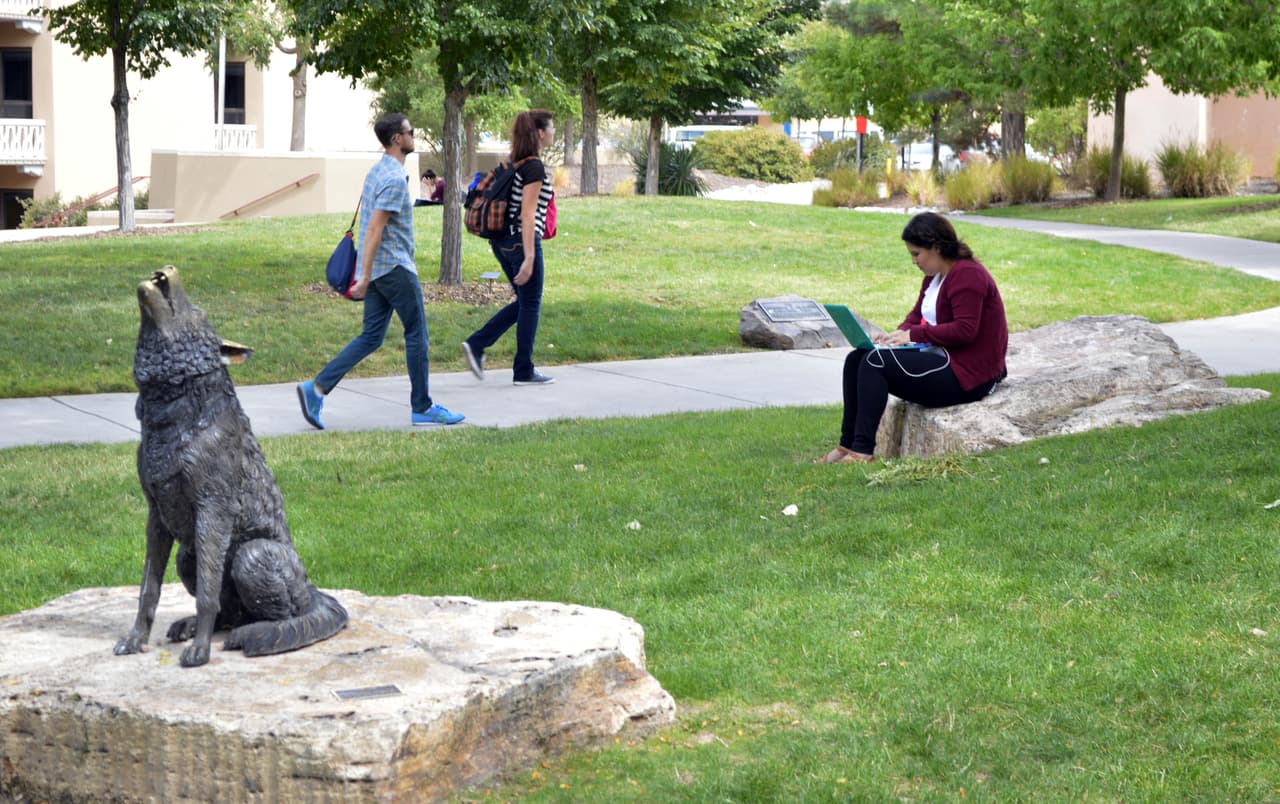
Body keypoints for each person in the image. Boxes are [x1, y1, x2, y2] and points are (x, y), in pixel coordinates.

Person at [296, 113, 464, 429]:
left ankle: (316, 389)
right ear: (397, 139)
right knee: (417, 334)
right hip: (394, 268)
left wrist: (366, 272)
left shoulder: (377, 172)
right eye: (410, 131)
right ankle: (423, 407)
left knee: (371, 336)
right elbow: (374, 229)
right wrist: (365, 275)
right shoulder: (393, 179)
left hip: (377, 269)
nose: (414, 135)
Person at [816, 212, 1007, 464]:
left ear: (936, 248)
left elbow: (965, 330)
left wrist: (913, 334)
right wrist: (895, 336)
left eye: (916, 254)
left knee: (875, 364)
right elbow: (916, 316)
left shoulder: (968, 275)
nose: (914, 261)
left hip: (968, 375)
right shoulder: (934, 276)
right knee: (857, 358)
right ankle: (846, 445)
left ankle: (862, 452)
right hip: (942, 358)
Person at [461, 110, 556, 386]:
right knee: (531, 303)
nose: (553, 133)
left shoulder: (512, 162)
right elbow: (527, 214)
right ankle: (523, 370)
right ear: (539, 133)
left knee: (525, 303)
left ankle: (478, 344)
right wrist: (529, 256)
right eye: (551, 129)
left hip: (501, 242)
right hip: (520, 241)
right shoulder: (534, 167)